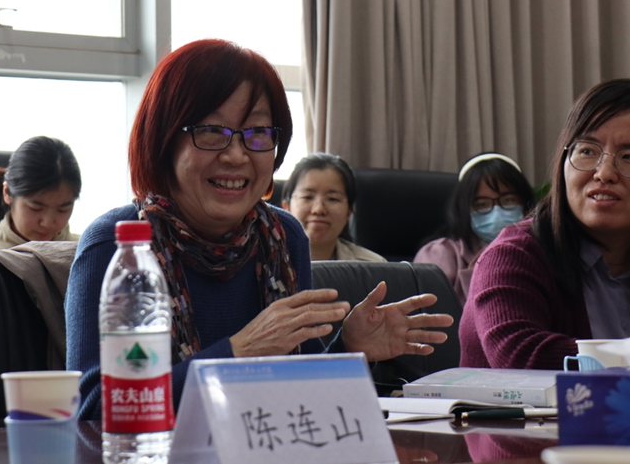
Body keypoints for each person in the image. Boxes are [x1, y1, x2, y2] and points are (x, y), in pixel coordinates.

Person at [65, 39, 454, 420]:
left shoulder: (281, 237)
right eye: (212, 130)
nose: (236, 155)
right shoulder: (118, 244)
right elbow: (94, 407)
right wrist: (238, 353)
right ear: (162, 141)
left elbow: (298, 390)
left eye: (257, 133)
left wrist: (349, 347)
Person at [460, 79, 630, 370]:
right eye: (587, 151)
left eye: (628, 157)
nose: (604, 173)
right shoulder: (513, 255)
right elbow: (518, 356)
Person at [413, 153, 535, 304]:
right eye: (482, 204)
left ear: (526, 204)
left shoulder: (544, 252)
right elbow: (426, 312)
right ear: (465, 210)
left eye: (508, 200)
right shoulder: (439, 254)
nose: (497, 211)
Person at [0, 135, 82, 257]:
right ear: (7, 193)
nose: (47, 223)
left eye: (63, 210)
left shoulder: (87, 253)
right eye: (35, 208)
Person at [281, 152, 386, 261]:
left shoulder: (373, 266)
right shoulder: (269, 263)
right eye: (307, 197)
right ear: (286, 208)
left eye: (333, 199)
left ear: (348, 213)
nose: (318, 209)